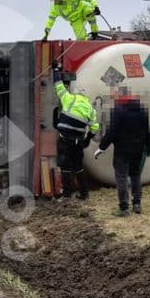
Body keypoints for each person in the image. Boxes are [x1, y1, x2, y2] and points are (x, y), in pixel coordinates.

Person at [93, 87, 150, 216]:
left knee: (121, 177)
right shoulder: (142, 110)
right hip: (138, 149)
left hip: (122, 150)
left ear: (120, 97)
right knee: (136, 175)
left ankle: (124, 207)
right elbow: (148, 130)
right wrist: (149, 146)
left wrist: (101, 148)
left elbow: (112, 133)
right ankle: (137, 204)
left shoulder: (118, 110)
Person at [53, 64, 99, 200]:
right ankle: (84, 194)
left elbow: (58, 86)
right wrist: (87, 140)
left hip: (65, 139)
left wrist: (56, 70)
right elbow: (95, 128)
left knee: (64, 166)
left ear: (76, 94)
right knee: (78, 166)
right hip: (78, 142)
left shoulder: (70, 99)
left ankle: (67, 194)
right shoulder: (90, 109)